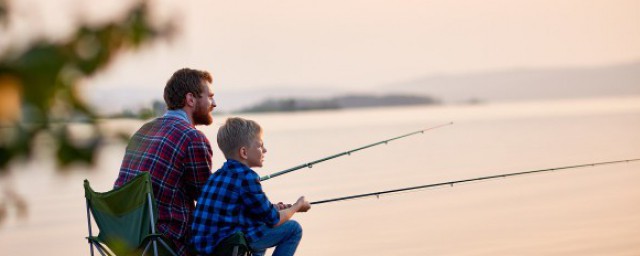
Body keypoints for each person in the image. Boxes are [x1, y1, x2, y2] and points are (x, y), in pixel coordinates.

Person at [114, 68, 216, 256]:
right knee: (244, 233)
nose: (214, 103)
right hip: (165, 242)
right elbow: (208, 201)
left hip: (126, 238)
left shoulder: (144, 130)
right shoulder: (192, 138)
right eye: (209, 97)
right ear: (190, 99)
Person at [191, 117, 311, 256]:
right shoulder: (247, 177)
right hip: (226, 247)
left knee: (258, 226)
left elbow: (243, 210)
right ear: (244, 152)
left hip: (206, 248)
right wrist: (297, 206)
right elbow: (274, 220)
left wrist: (273, 207)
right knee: (293, 229)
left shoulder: (217, 176)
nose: (264, 150)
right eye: (260, 145)